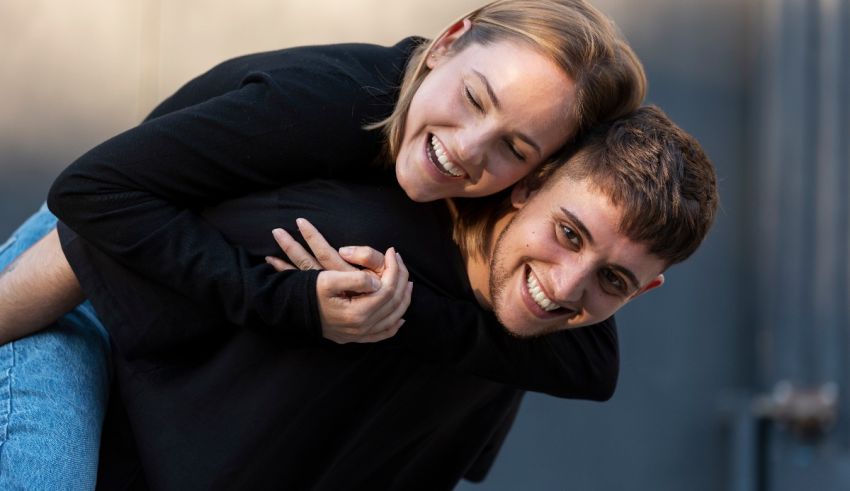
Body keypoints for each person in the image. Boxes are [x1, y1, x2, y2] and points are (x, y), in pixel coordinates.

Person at [1, 1, 646, 487]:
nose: (467, 146)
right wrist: (293, 301)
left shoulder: (507, 236)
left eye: (515, 146)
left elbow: (592, 363)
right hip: (84, 265)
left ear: (539, 175)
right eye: (475, 98)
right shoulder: (327, 102)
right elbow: (89, 194)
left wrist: (400, 311)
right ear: (448, 43)